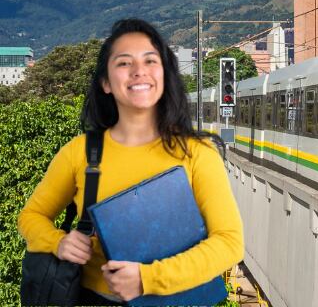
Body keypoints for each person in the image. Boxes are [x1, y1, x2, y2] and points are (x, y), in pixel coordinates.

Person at [18, 18, 244, 305]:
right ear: (106, 83)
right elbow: (30, 217)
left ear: (165, 74)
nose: (139, 71)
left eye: (150, 61)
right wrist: (58, 242)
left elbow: (229, 243)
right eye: (124, 63)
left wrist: (147, 279)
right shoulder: (81, 152)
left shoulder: (198, 154)